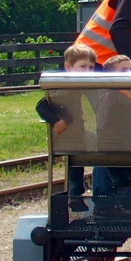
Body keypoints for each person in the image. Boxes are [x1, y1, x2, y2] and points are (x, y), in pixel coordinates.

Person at [35, 43, 96, 212]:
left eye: (91, 67)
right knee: (74, 163)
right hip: (67, 132)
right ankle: (74, 195)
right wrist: (56, 121)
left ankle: (76, 194)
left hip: (78, 130)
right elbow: (41, 106)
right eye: (82, 66)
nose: (87, 71)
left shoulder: (82, 85)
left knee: (77, 163)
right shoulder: (62, 86)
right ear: (68, 67)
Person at [92, 54, 131, 215]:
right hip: (118, 146)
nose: (130, 73)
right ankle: (118, 201)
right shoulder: (117, 98)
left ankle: (127, 198)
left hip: (118, 145)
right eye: (124, 70)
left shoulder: (118, 95)